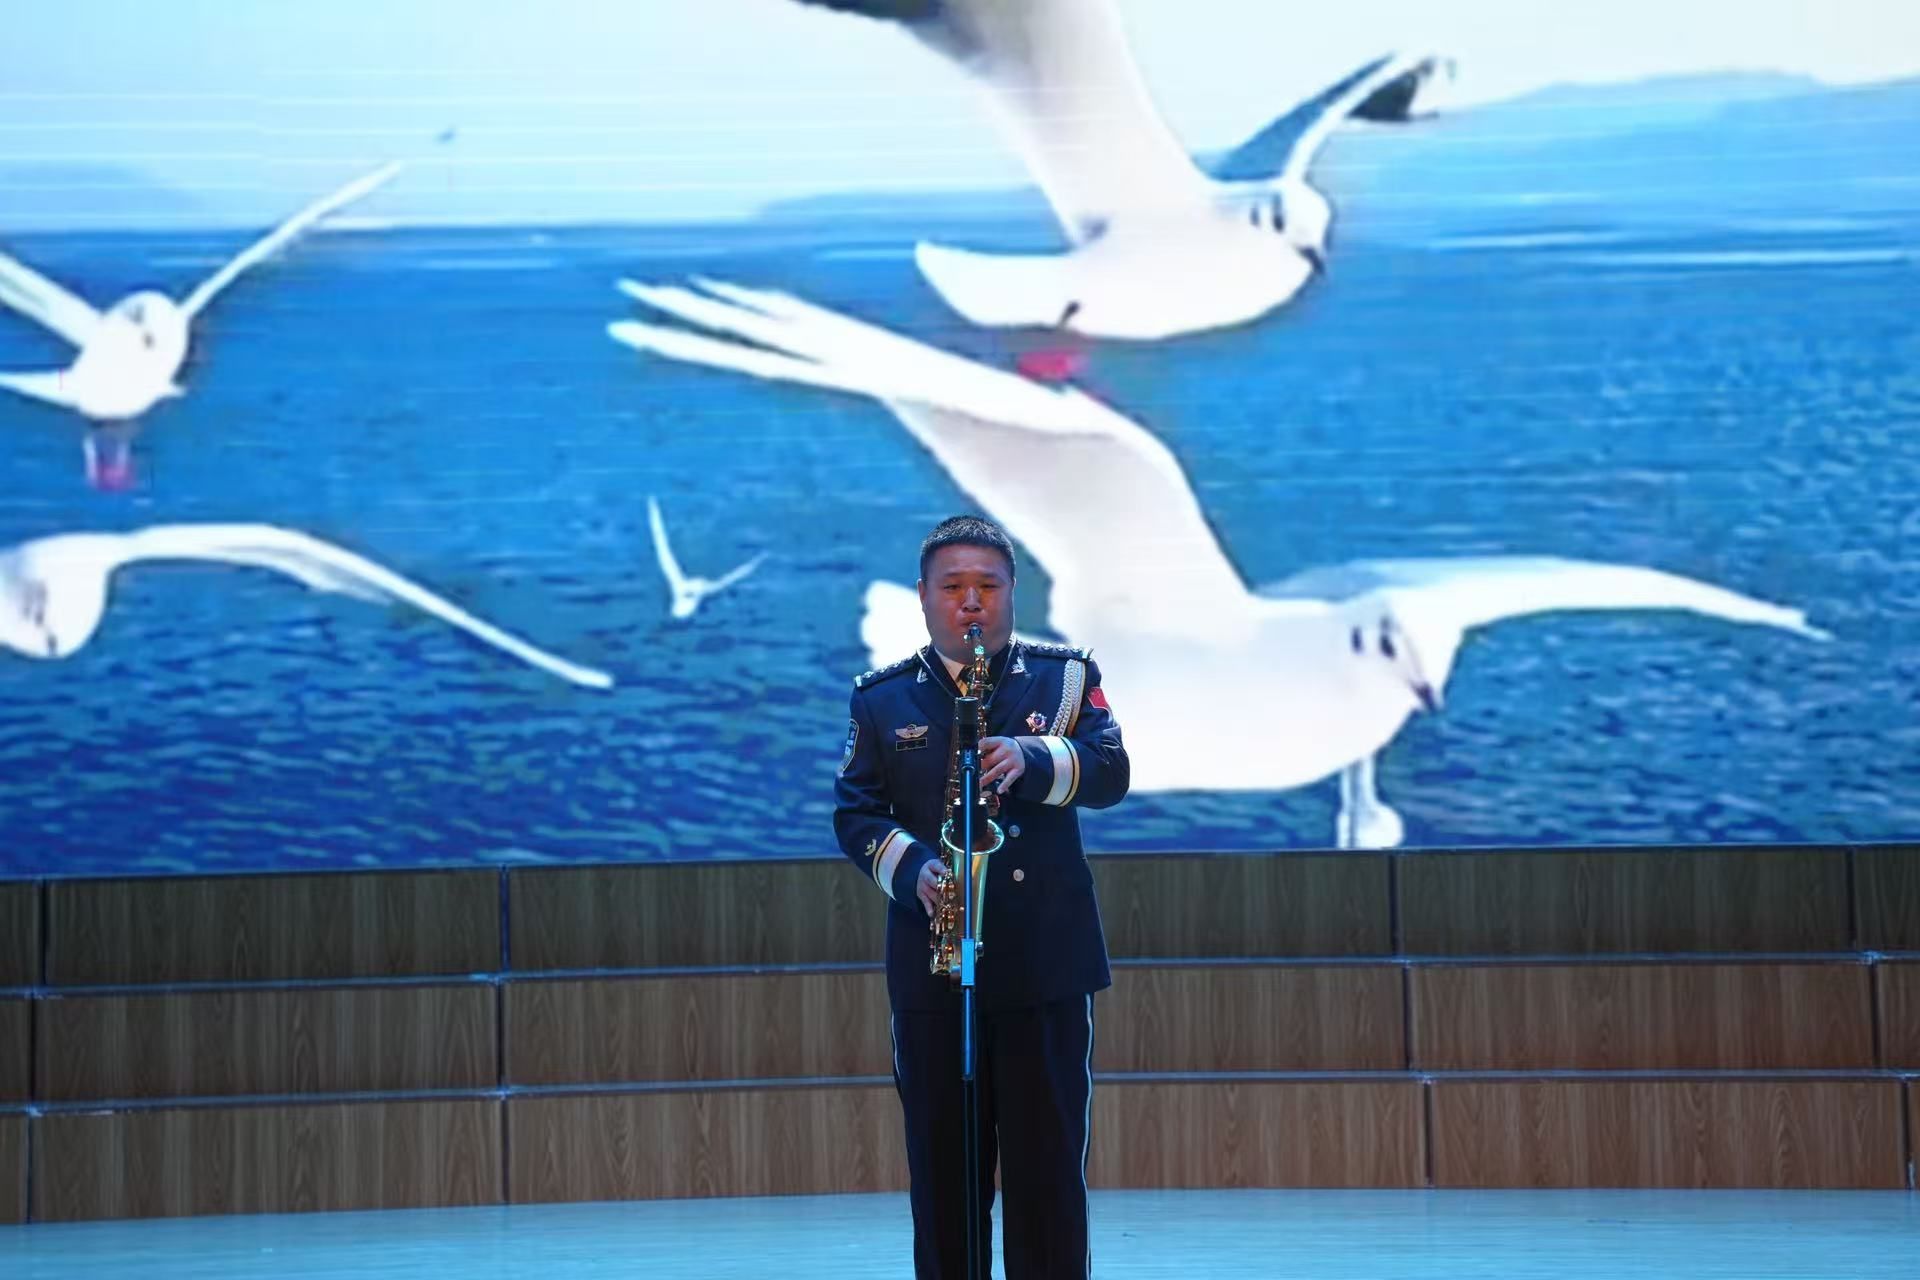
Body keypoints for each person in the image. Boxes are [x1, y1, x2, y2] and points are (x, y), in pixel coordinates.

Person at [834, 514, 1130, 1280]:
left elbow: (1110, 771)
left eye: (988, 587)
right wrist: (913, 871)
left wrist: (1032, 757)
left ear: (1012, 593)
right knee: (944, 1182)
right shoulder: (883, 700)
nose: (971, 603)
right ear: (923, 597)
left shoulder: (1063, 680)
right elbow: (856, 815)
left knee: (1048, 1178)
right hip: (935, 968)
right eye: (953, 587)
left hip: (1044, 967)